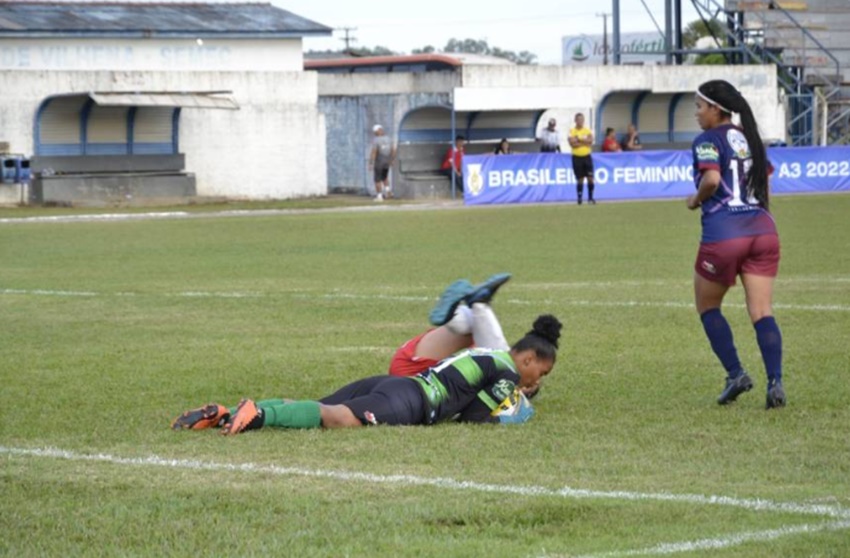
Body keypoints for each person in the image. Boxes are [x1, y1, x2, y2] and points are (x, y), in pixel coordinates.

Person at [171, 314, 562, 433]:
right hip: (412, 400)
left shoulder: (488, 353)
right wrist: (518, 407)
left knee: (318, 407)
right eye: (539, 373)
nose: (536, 381)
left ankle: (226, 412)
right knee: (337, 419)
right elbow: (474, 417)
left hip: (395, 384)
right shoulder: (508, 373)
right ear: (527, 360)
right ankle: (259, 415)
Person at [687, 79, 785, 410]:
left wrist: (694, 200)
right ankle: (775, 382)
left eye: (700, 107)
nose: (697, 114)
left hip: (725, 234)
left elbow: (712, 179)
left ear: (716, 108)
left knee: (707, 306)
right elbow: (765, 182)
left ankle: (736, 374)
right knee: (761, 311)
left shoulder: (707, 140)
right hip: (763, 231)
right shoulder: (750, 138)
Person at [568, 113, 595, 205]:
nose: (580, 121)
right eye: (578, 120)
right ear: (575, 120)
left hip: (587, 156)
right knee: (580, 179)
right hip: (577, 157)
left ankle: (590, 198)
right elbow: (572, 144)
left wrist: (578, 139)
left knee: (590, 178)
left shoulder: (587, 130)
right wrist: (584, 141)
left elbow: (590, 141)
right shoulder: (572, 131)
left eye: (582, 120)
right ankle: (579, 198)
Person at [369, 124, 396, 201]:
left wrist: (371, 163)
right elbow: (393, 150)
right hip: (387, 160)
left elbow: (374, 152)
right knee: (384, 177)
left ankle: (379, 196)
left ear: (378, 131)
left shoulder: (376, 140)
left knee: (377, 179)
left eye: (375, 131)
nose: (375, 133)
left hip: (379, 161)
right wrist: (392, 160)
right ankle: (388, 192)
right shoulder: (389, 138)